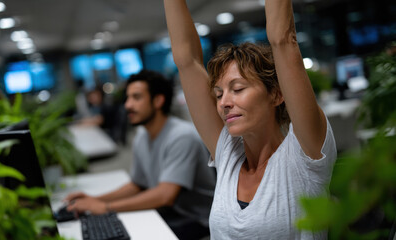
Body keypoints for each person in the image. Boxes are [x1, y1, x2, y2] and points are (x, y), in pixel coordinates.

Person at [164, 0, 337, 239]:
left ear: (276, 94)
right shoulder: (228, 155)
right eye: (219, 93)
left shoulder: (304, 157)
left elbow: (283, 40)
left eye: (237, 89)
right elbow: (186, 60)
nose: (224, 102)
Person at [64, 69, 216, 240]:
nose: (127, 105)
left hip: (198, 221)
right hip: (169, 212)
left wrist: (105, 207)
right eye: (128, 98)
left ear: (158, 100)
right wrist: (94, 199)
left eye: (136, 97)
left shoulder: (181, 136)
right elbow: (136, 185)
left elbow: (165, 195)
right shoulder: (142, 135)